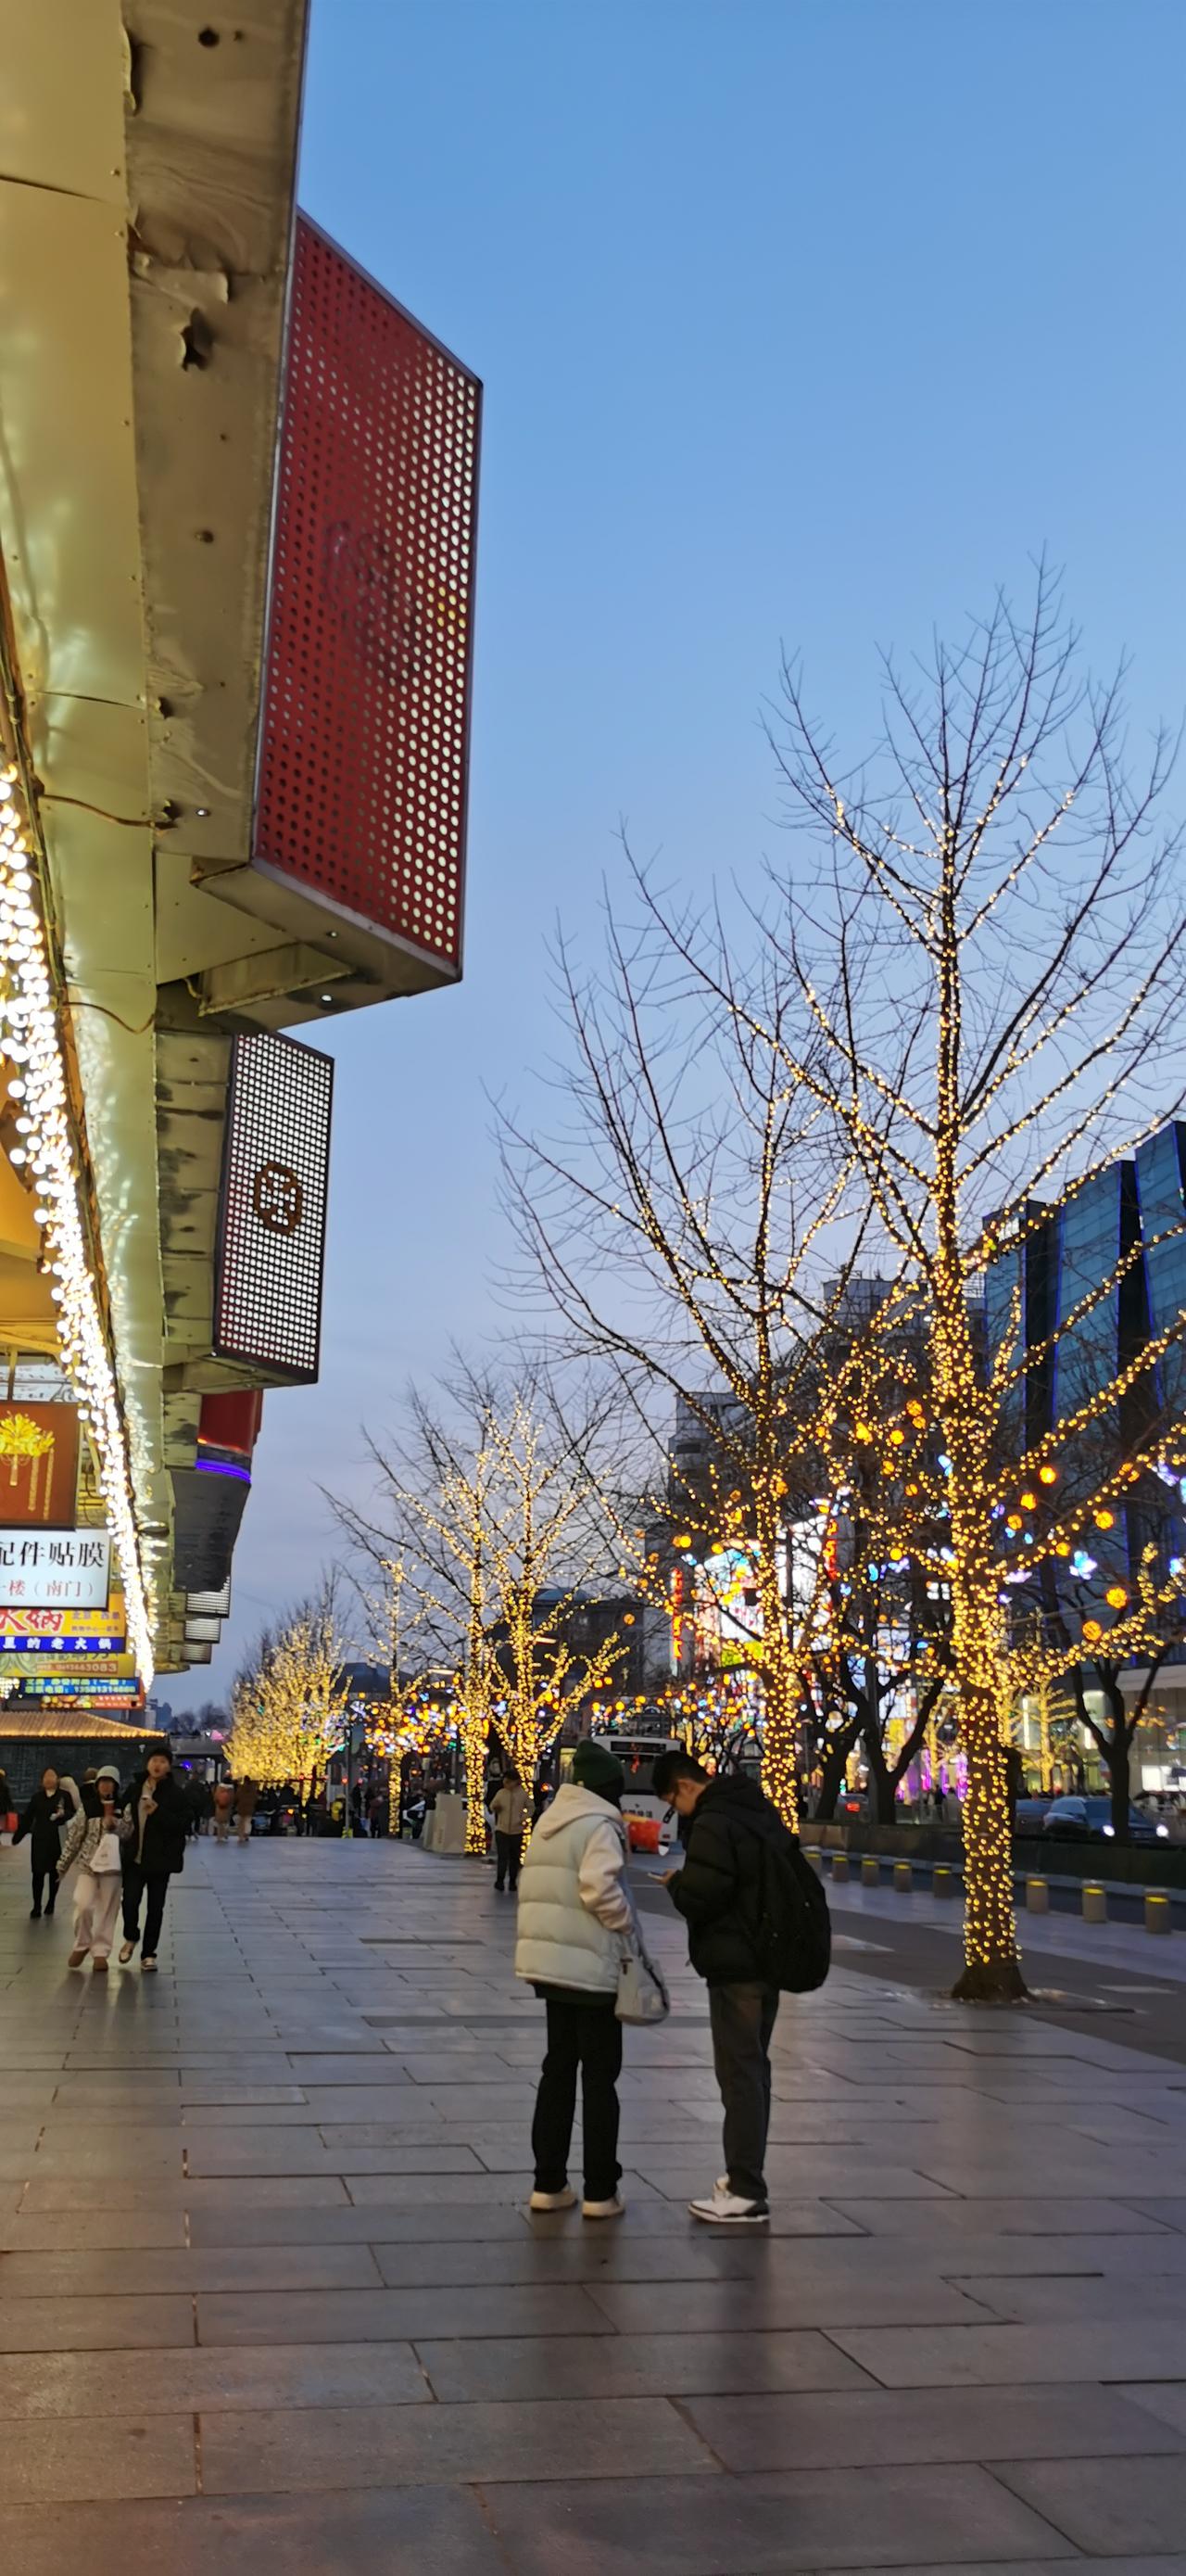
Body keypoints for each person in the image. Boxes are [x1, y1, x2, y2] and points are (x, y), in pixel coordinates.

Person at [652, 1747, 790, 2227]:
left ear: (684, 1786)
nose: (677, 1811)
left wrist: (676, 1884)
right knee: (753, 2069)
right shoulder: (755, 1808)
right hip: (768, 1958)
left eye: (673, 1802)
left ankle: (746, 2189)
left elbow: (704, 1896)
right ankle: (743, 2177)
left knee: (739, 2073)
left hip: (736, 1966)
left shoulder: (713, 1822)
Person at [514, 1737, 634, 2221]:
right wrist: (626, 1922)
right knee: (601, 2079)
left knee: (558, 2070)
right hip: (592, 1970)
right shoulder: (599, 1825)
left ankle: (548, 2183)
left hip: (551, 1968)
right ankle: (601, 2191)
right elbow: (599, 1888)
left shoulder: (549, 1822)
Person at [119, 1750, 189, 1972]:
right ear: (147, 1764)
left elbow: (183, 1825)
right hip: (135, 1858)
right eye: (154, 1760)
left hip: (161, 1860)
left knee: (155, 1909)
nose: (157, 1765)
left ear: (168, 1766)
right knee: (129, 1902)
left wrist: (158, 1812)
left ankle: (149, 1954)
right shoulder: (135, 1789)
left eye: (163, 1761)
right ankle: (131, 1936)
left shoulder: (176, 1794)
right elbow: (123, 1813)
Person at [57, 1764, 132, 1970]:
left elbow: (128, 1834)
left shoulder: (123, 1807)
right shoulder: (88, 1807)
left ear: (116, 1785)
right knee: (83, 1904)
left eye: (110, 1782)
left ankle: (101, 1951)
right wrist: (62, 1865)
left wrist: (115, 1824)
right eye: (102, 1782)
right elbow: (75, 1838)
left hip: (113, 1867)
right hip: (88, 1865)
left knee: (108, 1910)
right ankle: (82, 1944)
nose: (106, 1786)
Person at [14, 1767, 77, 1918]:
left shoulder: (64, 1796)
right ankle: (36, 1905)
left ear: (57, 1779)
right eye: (46, 1776)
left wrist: (63, 1815)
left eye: (52, 1776)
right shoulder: (37, 1797)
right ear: (42, 1780)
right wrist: (18, 1836)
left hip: (56, 1839)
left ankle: (51, 1902)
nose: (49, 1779)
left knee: (55, 1872)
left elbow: (73, 1813)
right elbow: (28, 1817)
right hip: (40, 1839)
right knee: (37, 1873)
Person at [492, 1765, 528, 1891]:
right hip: (501, 1829)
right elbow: (492, 1805)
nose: (506, 1783)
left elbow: (531, 1808)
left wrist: (522, 1818)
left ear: (515, 1781)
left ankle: (512, 1882)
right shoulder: (501, 1793)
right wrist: (496, 1808)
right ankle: (500, 1881)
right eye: (505, 1781)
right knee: (502, 1857)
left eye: (508, 1781)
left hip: (516, 1831)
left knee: (514, 1858)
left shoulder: (522, 1794)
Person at [234, 1776, 259, 1844]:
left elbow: (236, 1797)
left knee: (241, 1822)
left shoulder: (241, 1788)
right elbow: (256, 1798)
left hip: (241, 1807)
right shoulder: (253, 1789)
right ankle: (247, 1833)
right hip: (250, 1808)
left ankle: (241, 1836)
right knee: (248, 1821)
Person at [212, 1779, 234, 1843]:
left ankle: (219, 1836)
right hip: (227, 1808)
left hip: (219, 1807)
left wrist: (217, 1803)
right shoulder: (231, 1789)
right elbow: (232, 1799)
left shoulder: (219, 1788)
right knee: (225, 1823)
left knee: (219, 1823)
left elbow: (215, 1798)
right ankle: (224, 1834)